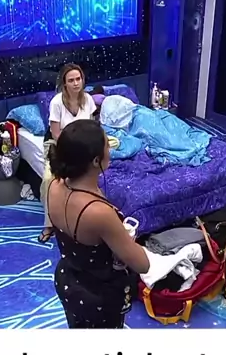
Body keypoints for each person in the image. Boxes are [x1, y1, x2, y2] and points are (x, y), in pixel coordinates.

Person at [47, 119, 150, 327]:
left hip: (68, 281)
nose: (110, 150)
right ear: (96, 161)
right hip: (98, 296)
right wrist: (125, 237)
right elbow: (142, 264)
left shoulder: (54, 186)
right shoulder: (99, 213)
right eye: (107, 145)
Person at [39, 64, 96, 242]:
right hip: (58, 144)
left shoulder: (88, 100)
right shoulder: (56, 102)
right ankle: (49, 225)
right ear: (64, 84)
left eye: (78, 79)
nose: (76, 83)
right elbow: (56, 133)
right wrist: (72, 152)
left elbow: (91, 127)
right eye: (71, 80)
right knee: (49, 179)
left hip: (82, 144)